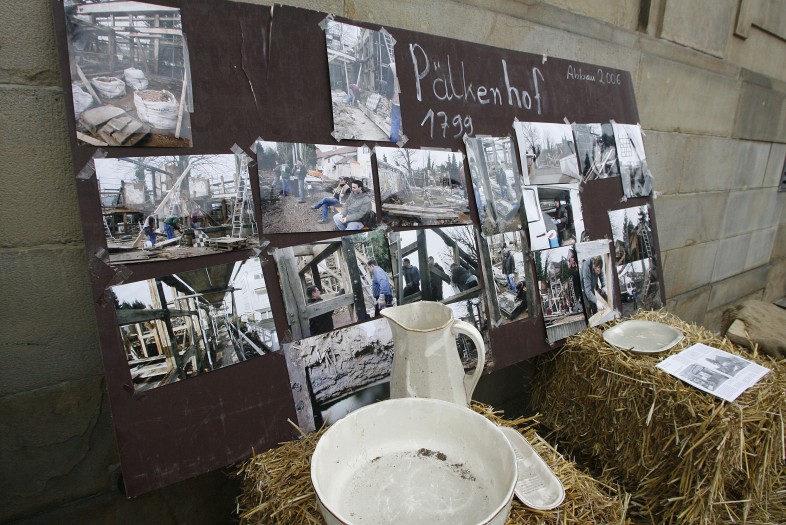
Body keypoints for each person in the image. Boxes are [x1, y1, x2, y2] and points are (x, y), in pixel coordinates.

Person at [388, 63, 401, 143]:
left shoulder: (392, 66)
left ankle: (394, 141)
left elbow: (390, 86)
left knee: (395, 120)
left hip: (397, 99)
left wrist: (388, 98)